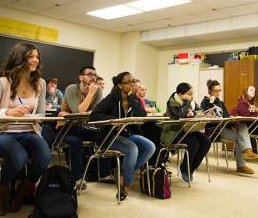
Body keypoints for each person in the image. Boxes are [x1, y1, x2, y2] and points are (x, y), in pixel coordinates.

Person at [0, 43, 51, 216]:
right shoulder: (2, 82)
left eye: (37, 56)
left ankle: (21, 191)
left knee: (44, 156)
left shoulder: (40, 83)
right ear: (20, 59)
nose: (35, 60)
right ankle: (1, 190)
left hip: (28, 131)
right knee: (19, 157)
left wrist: (33, 116)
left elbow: (42, 113)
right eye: (30, 57)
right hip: (2, 132)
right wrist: (9, 112)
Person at [90, 72, 156, 200]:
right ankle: (126, 185)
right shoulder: (111, 99)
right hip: (110, 137)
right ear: (120, 85)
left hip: (127, 135)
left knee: (150, 147)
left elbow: (142, 116)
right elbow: (94, 115)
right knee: (132, 149)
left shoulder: (133, 98)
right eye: (128, 82)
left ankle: (123, 173)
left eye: (133, 81)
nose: (132, 84)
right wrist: (115, 120)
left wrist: (132, 99)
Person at [57, 66, 111, 188]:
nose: (93, 77)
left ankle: (104, 173)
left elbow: (97, 113)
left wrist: (84, 112)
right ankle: (77, 178)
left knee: (106, 135)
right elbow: (78, 111)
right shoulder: (72, 89)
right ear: (81, 77)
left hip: (83, 127)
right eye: (90, 74)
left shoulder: (98, 91)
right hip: (66, 127)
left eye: (95, 75)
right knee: (76, 141)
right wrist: (91, 94)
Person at [200, 80, 258, 174]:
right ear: (210, 91)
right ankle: (241, 164)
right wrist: (211, 103)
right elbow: (207, 117)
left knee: (243, 127)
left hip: (224, 128)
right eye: (216, 91)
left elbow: (226, 117)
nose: (218, 93)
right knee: (241, 138)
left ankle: (247, 151)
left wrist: (232, 126)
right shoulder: (204, 102)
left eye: (219, 90)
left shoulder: (220, 103)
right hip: (214, 130)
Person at [162, 82, 211, 183]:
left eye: (192, 94)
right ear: (180, 94)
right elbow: (180, 115)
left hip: (188, 129)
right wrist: (186, 103)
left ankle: (190, 169)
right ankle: (185, 168)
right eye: (189, 94)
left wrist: (193, 112)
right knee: (194, 143)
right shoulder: (172, 102)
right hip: (174, 132)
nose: (191, 97)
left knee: (206, 141)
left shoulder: (190, 101)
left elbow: (199, 110)